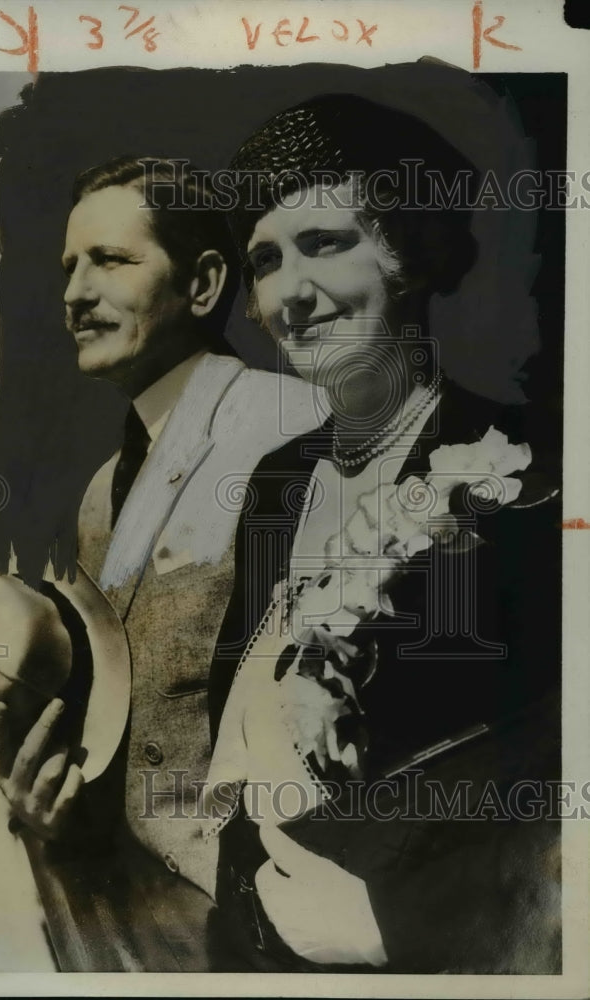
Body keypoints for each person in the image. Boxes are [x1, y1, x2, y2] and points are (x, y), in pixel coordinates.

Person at [203, 94, 561, 973]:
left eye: (326, 244)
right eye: (266, 261)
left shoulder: (528, 475)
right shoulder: (275, 487)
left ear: (408, 252)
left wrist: (399, 919)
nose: (292, 291)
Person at [0, 156, 320, 910]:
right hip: (130, 917)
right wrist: (50, 806)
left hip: (259, 919)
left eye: (111, 260)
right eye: (71, 266)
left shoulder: (293, 430)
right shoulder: (103, 487)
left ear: (203, 284)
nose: (75, 293)